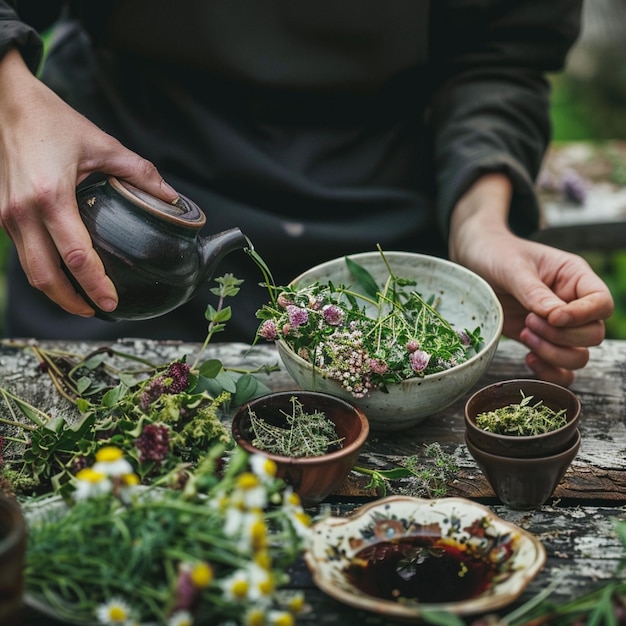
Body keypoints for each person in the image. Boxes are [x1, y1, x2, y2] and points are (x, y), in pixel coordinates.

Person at [0, 0, 614, 388]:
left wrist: (480, 225)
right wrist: (13, 99)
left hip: (384, 249)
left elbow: (499, 55)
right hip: (123, 216)